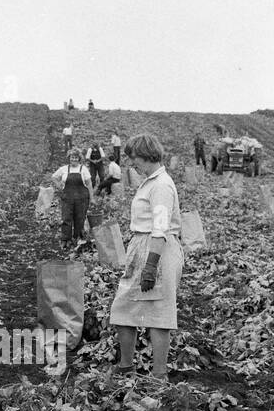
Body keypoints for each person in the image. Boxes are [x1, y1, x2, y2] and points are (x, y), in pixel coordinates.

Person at [109, 132, 183, 380]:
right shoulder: (151, 181)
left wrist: (151, 266)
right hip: (143, 246)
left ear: (145, 155)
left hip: (156, 250)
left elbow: (160, 228)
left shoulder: (161, 185)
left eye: (134, 159)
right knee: (123, 308)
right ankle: (126, 366)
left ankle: (159, 375)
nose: (132, 165)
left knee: (159, 313)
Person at [51, 148, 93, 251]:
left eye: (75, 157)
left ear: (79, 158)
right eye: (72, 157)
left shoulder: (83, 169)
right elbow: (54, 177)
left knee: (80, 218)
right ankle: (66, 240)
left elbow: (89, 184)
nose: (73, 159)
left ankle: (77, 238)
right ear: (69, 158)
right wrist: (59, 186)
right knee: (66, 218)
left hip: (82, 198)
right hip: (67, 198)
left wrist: (91, 198)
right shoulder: (64, 169)